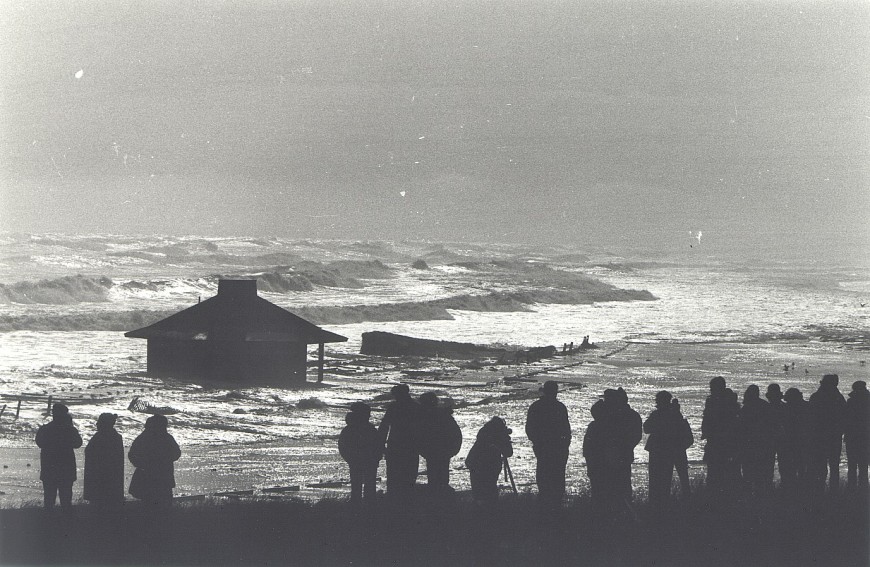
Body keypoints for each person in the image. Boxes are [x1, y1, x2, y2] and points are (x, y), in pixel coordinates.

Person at [526, 381, 572, 509]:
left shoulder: (537, 407)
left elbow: (530, 429)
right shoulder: (558, 407)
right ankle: (553, 508)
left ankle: (548, 508)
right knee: (554, 479)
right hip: (553, 448)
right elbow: (566, 430)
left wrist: (537, 443)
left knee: (546, 479)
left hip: (548, 448)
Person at [35, 403, 83, 510]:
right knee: (66, 499)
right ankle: (66, 522)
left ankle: (49, 522)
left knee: (49, 499)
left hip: (49, 468)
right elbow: (78, 443)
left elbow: (39, 442)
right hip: (66, 468)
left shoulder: (45, 429)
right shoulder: (70, 430)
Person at [378, 384, 421, 499]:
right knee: (410, 474)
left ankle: (394, 499)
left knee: (393, 475)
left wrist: (380, 444)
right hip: (411, 445)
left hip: (396, 444)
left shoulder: (394, 407)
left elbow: (384, 426)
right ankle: (407, 499)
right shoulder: (416, 407)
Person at [128, 414, 181, 507]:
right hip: (162, 476)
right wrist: (165, 460)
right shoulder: (166, 437)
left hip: (149, 476)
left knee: (149, 505)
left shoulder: (144, 437)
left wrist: (141, 465)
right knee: (163, 505)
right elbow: (177, 453)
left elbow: (132, 454)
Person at [643, 391, 685, 509]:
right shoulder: (674, 414)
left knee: (655, 481)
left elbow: (646, 428)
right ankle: (662, 506)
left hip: (658, 451)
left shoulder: (657, 414)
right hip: (668, 451)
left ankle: (656, 507)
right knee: (665, 480)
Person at [415, 392, 462, 494]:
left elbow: (420, 435)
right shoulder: (443, 416)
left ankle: (438, 497)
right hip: (440, 452)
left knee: (435, 476)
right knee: (440, 475)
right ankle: (441, 495)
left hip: (436, 451)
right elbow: (456, 434)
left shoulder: (428, 417)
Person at [338, 402, 383, 504]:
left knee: (359, 485)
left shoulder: (352, 428)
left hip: (362, 460)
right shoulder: (365, 428)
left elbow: (342, 446)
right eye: (367, 413)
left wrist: (349, 458)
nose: (369, 415)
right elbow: (343, 446)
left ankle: (361, 505)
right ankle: (365, 506)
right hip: (362, 460)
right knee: (365, 485)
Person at [701, 377, 740, 492]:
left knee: (718, 473)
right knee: (722, 472)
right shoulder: (728, 401)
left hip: (721, 442)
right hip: (721, 442)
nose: (711, 391)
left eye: (712, 388)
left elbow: (710, 420)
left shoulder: (718, 402)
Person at [808, 374, 846, 492]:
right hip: (834, 436)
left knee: (820, 464)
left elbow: (810, 418)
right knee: (834, 465)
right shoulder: (839, 398)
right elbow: (844, 418)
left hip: (819, 436)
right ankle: (834, 490)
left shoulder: (816, 397)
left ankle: (819, 489)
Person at [465, 416, 513, 504]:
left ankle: (480, 512)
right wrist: (505, 440)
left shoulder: (482, 437)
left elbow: (469, 461)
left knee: (479, 494)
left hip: (476, 467)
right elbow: (508, 452)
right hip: (486, 467)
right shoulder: (495, 437)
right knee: (490, 493)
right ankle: (490, 512)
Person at [737, 385, 774, 493]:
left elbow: (741, 428)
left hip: (749, 445)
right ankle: (761, 494)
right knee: (761, 473)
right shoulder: (765, 406)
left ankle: (749, 494)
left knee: (748, 472)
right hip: (763, 444)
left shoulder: (746, 408)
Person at [83, 413, 125, 509]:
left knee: (100, 503)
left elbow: (90, 452)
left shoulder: (100, 437)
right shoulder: (116, 437)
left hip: (101, 475)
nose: (97, 424)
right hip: (111, 476)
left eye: (99, 422)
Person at [780, 388, 810, 493]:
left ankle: (790, 489)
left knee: (790, 467)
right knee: (802, 467)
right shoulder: (807, 406)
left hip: (790, 441)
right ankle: (802, 488)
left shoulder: (786, 408)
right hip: (803, 440)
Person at [844, 381, 869, 490]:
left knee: (852, 464)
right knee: (864, 465)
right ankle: (864, 487)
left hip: (852, 437)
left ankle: (851, 488)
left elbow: (845, 420)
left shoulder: (850, 402)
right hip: (866, 437)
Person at [765, 384, 787, 485]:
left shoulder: (766, 409)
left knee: (769, 464)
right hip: (782, 439)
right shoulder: (785, 407)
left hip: (770, 440)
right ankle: (784, 485)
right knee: (783, 464)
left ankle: (769, 485)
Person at [672, 398, 694, 497]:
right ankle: (687, 496)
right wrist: (682, 447)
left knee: (682, 477)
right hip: (680, 452)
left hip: (674, 452)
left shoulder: (673, 423)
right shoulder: (683, 422)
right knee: (684, 477)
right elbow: (690, 439)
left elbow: (690, 440)